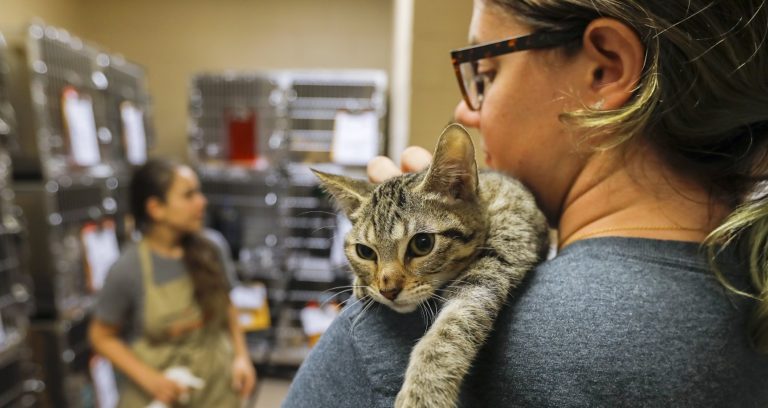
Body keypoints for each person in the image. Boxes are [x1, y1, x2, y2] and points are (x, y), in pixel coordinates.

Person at [283, 0, 768, 406]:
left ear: (606, 67)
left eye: (485, 73)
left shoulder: (392, 336)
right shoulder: (751, 294)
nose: (465, 109)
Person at [89, 159, 256, 407]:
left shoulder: (212, 247)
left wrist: (242, 357)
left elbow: (228, 308)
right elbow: (101, 336)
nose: (202, 201)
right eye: (189, 195)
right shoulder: (128, 268)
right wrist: (150, 380)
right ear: (156, 208)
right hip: (165, 393)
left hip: (218, 387)